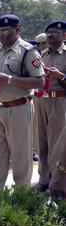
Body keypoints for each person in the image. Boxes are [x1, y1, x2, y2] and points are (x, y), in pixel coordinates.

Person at [0, 15, 45, 196]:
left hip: (18, 108)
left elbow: (40, 82)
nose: (2, 34)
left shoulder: (28, 51)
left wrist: (10, 79)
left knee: (21, 154)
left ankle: (21, 194)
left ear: (18, 29)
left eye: (6, 30)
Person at [34, 21, 66, 192]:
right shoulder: (41, 55)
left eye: (55, 32)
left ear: (64, 35)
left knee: (57, 145)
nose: (51, 35)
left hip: (59, 102)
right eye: (49, 33)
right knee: (41, 142)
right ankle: (43, 180)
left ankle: (56, 183)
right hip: (41, 101)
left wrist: (59, 75)